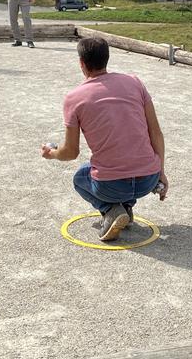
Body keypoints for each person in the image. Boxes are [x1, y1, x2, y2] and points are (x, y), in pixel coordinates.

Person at [41, 37, 168, 241]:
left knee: (80, 178)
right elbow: (156, 132)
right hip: (148, 180)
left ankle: (111, 209)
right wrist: (160, 173)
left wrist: (52, 153)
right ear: (107, 58)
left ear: (81, 63)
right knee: (122, 168)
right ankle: (126, 208)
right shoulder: (134, 82)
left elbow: (71, 152)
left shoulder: (74, 98)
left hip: (110, 186)